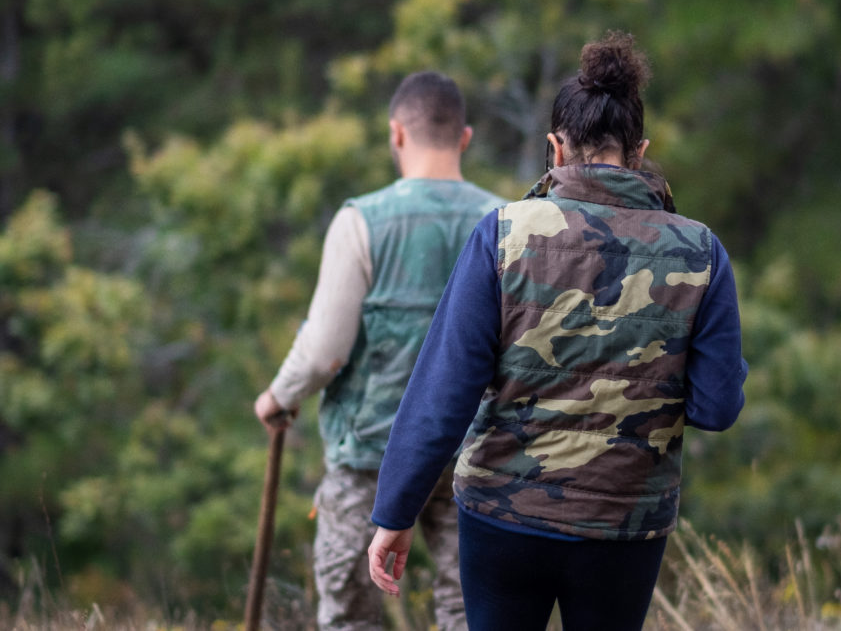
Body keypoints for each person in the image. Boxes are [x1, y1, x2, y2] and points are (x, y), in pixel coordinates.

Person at [367, 31, 747, 630]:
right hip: (624, 524)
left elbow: (445, 390)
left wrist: (395, 512)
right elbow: (716, 407)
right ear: (640, 150)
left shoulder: (502, 235)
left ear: (555, 148)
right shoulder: (700, 252)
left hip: (503, 517)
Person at [255, 71, 505, 631]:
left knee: (350, 617)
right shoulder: (506, 223)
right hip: (478, 455)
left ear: (396, 134)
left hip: (371, 455)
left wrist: (278, 396)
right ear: (464, 137)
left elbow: (325, 352)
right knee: (471, 613)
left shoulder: (360, 222)